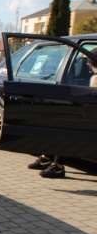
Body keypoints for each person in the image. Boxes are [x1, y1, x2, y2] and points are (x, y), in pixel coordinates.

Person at [28, 48, 97, 179]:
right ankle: (47, 157)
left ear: (89, 64)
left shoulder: (95, 79)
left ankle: (57, 166)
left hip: (92, 121)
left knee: (64, 129)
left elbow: (91, 105)